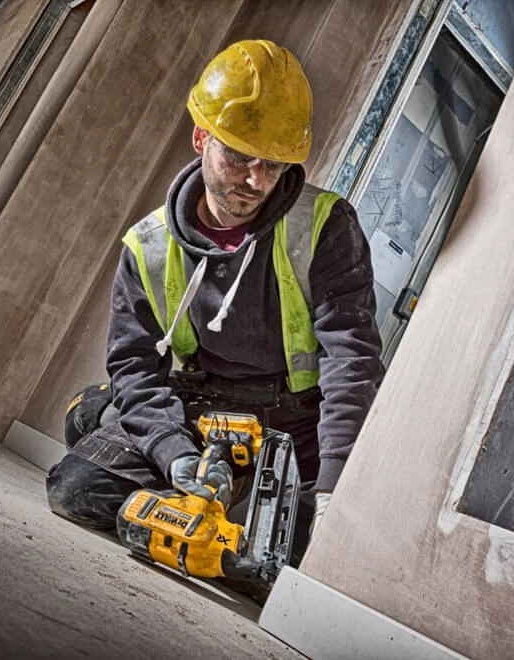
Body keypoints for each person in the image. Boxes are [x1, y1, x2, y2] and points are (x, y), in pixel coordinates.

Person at [45, 39, 384, 559]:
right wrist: (175, 453)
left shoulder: (325, 226)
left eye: (273, 164)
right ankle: (123, 426)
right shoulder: (149, 246)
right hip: (202, 405)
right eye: (240, 157)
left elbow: (351, 360)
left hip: (296, 421)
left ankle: (211, 488)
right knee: (75, 489)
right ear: (202, 137)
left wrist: (331, 490)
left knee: (294, 554)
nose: (255, 180)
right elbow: (135, 365)